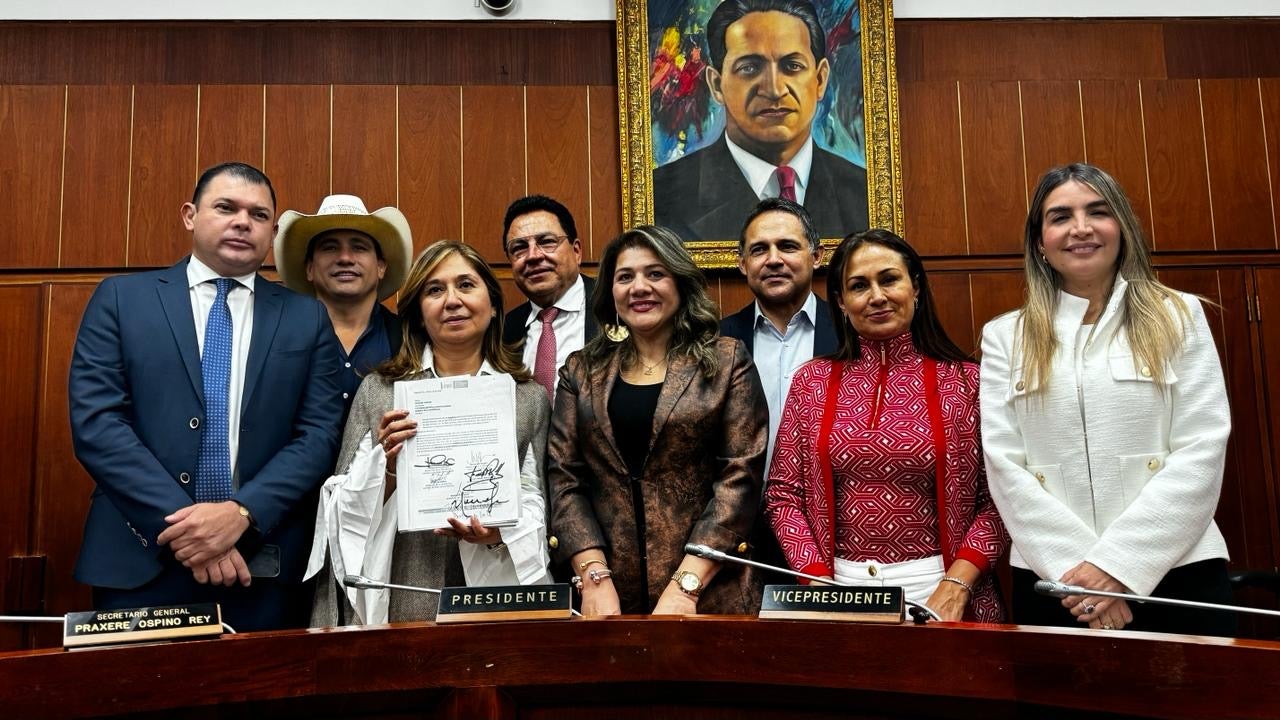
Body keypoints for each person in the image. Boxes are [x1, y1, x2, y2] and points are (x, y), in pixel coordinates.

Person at [69, 162, 343, 631]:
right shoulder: (121, 299)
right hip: (139, 559)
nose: (242, 222)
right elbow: (98, 424)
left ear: (273, 233)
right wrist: (192, 531)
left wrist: (241, 514)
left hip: (260, 564)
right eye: (226, 208)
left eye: (258, 215)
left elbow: (319, 435)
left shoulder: (306, 317)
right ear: (190, 215)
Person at [980, 163, 1234, 636]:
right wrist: (1083, 579)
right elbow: (1004, 464)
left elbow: (1203, 446)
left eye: (1098, 212)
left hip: (1178, 571)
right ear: (1039, 242)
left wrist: (1118, 568)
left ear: (1122, 228)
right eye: (1060, 217)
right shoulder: (1005, 337)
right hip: (1056, 582)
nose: (1081, 228)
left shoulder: (1179, 315)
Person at [766, 229, 1007, 622]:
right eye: (859, 286)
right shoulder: (811, 382)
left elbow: (1000, 497)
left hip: (945, 590)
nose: (876, 296)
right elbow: (783, 495)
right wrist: (817, 582)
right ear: (841, 302)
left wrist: (957, 585)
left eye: (889, 279)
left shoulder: (967, 382)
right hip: (836, 589)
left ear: (916, 287)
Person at [309, 241, 552, 625]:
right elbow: (340, 509)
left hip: (493, 594)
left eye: (466, 285)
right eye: (435, 290)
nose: (452, 301)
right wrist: (387, 469)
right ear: (420, 313)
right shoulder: (381, 391)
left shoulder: (527, 397)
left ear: (492, 305)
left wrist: (498, 534)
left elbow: (538, 501)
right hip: (403, 586)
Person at [547, 225, 768, 616]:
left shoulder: (727, 360)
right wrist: (594, 577)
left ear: (680, 283)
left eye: (655, 273)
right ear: (610, 291)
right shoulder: (581, 371)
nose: (639, 287)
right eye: (625, 277)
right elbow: (564, 477)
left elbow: (740, 477)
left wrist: (687, 586)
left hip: (711, 593)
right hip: (608, 598)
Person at [653, 0, 868, 241]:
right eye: (750, 68)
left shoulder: (866, 195)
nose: (774, 90)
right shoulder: (659, 198)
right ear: (716, 85)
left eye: (792, 66)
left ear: (820, 79)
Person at [274, 194, 412, 417]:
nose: (345, 258)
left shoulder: (410, 338)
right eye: (330, 248)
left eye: (359, 247)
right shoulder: (279, 337)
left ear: (381, 267)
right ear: (309, 268)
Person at [501, 195, 599, 402]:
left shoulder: (615, 309)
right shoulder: (504, 330)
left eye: (547, 242)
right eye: (519, 248)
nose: (533, 256)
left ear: (576, 251)